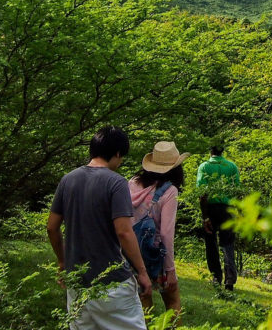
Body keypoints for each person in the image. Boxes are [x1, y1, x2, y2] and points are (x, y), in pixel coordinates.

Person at [47, 126, 152, 330]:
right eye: (122, 157)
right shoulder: (116, 182)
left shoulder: (68, 179)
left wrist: (62, 262)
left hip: (77, 282)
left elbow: (52, 227)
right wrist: (142, 271)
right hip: (112, 283)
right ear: (118, 153)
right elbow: (124, 231)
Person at [128, 140, 190, 318]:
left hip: (131, 253)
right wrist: (170, 270)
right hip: (155, 256)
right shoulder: (169, 191)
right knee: (173, 301)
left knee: (144, 301)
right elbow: (165, 233)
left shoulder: (132, 182)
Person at [196, 142, 241, 292]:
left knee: (211, 243)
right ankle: (230, 280)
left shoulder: (204, 167)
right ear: (223, 151)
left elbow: (202, 194)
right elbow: (236, 190)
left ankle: (216, 277)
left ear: (210, 150)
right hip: (228, 209)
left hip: (211, 208)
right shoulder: (232, 167)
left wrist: (205, 216)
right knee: (228, 243)